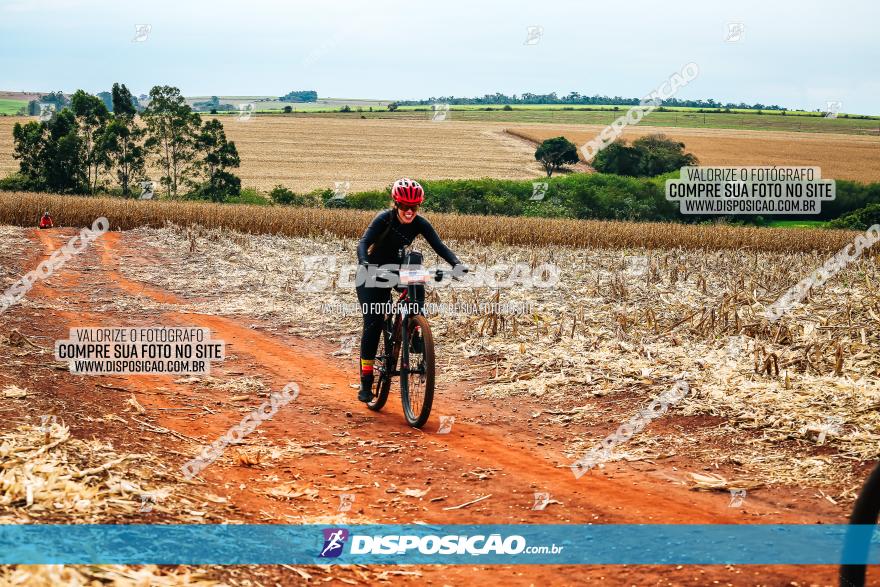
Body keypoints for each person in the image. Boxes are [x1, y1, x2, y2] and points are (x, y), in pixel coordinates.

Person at [355, 178, 465, 403]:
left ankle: (415, 327)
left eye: (413, 207)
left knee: (416, 269)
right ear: (396, 204)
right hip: (371, 273)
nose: (409, 211)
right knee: (374, 323)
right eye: (404, 206)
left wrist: (456, 263)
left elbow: (439, 246)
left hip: (395, 270)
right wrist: (365, 264)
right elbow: (363, 243)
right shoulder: (383, 219)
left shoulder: (420, 223)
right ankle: (366, 382)